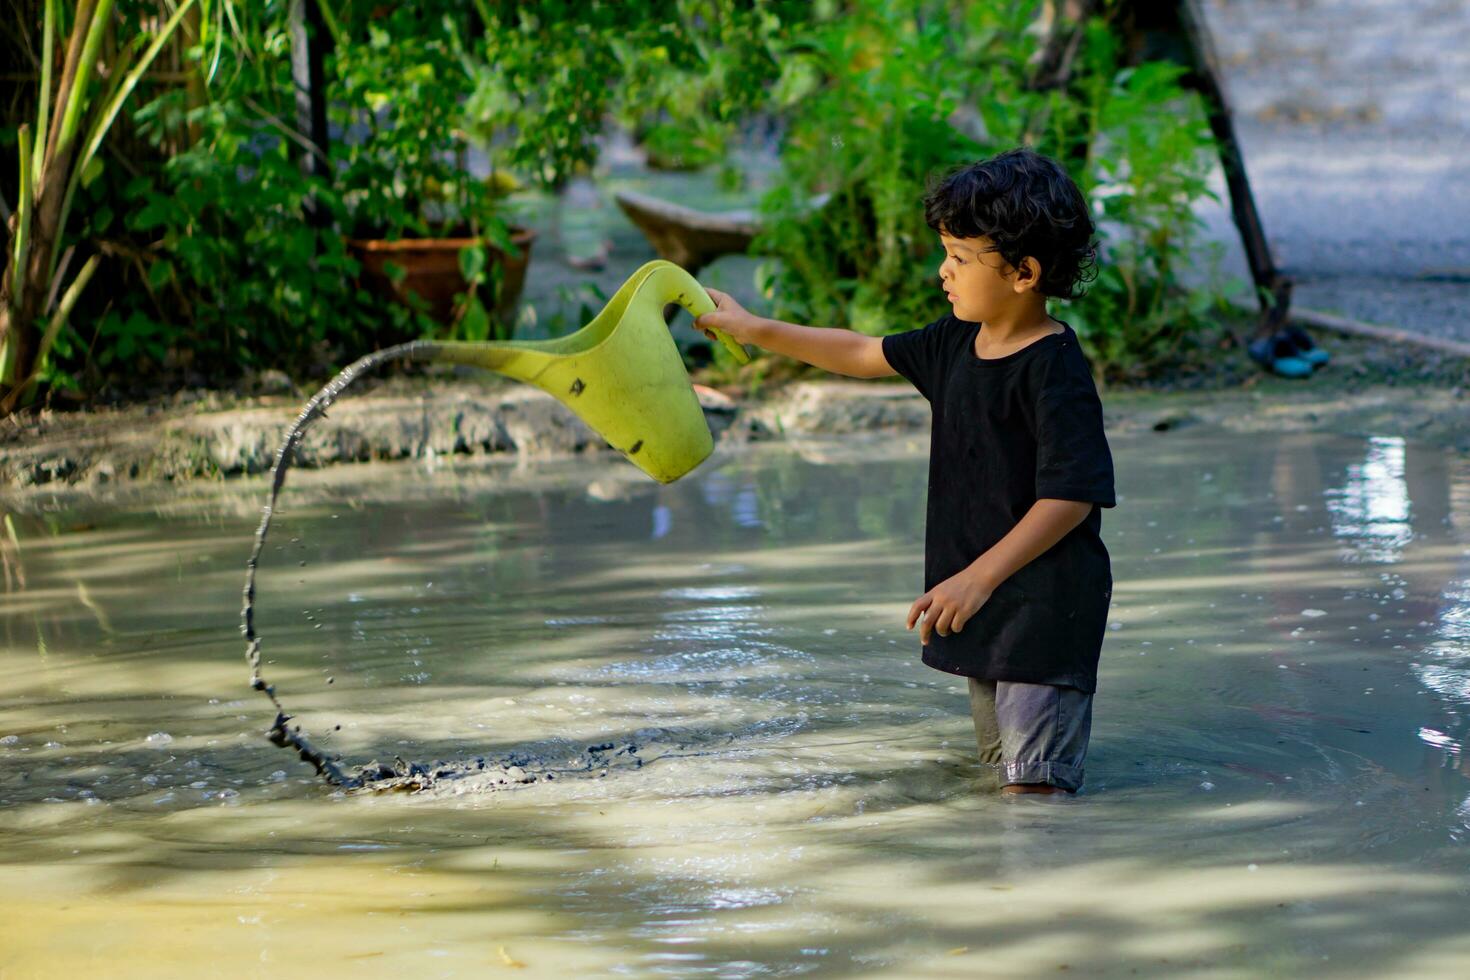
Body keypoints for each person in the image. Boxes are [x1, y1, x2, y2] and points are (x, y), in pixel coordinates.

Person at [693, 147, 1116, 795]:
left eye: (958, 258)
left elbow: (1071, 498)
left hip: (1044, 613)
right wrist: (756, 328)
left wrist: (975, 580)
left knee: (1034, 793)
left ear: (1023, 273)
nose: (942, 272)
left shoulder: (1053, 369)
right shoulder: (955, 341)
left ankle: (1045, 883)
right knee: (1005, 779)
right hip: (982, 605)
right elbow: (861, 351)